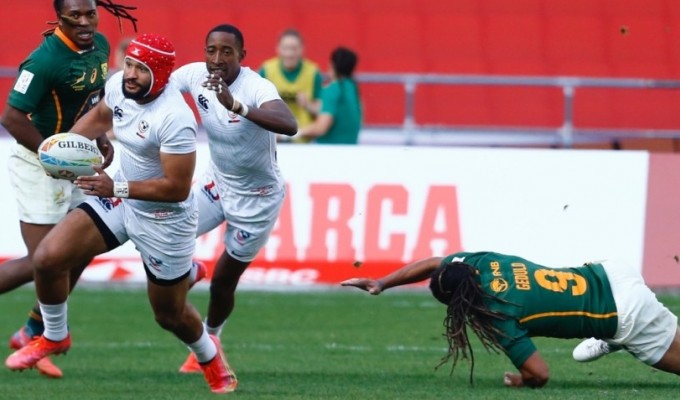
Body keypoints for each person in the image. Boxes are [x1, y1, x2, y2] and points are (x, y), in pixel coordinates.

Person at [4, 33, 236, 395]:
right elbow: (98, 116)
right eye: (129, 63)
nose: (129, 74)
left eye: (141, 69)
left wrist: (118, 188)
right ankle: (54, 336)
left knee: (169, 315)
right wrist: (70, 149)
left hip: (164, 219)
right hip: (119, 198)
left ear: (159, 75)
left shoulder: (176, 118)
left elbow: (176, 187)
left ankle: (209, 357)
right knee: (48, 259)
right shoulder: (119, 86)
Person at [0, 0, 137, 379]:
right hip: (38, 166)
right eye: (73, 15)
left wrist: (99, 139)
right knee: (43, 261)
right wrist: (53, 154)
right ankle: (40, 333)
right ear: (58, 16)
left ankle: (34, 331)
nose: (83, 21)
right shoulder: (43, 61)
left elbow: (93, 102)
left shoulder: (102, 46)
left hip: (76, 159)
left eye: (89, 13)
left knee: (82, 248)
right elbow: (11, 116)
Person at [341, 251, 680, 388]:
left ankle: (615, 335)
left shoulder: (496, 311)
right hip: (609, 272)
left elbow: (540, 374)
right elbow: (436, 262)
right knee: (584, 347)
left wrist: (521, 381)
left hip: (624, 313)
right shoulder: (482, 261)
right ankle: (611, 336)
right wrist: (382, 282)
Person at [171, 24, 297, 375]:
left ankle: (210, 340)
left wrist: (236, 105)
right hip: (216, 183)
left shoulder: (256, 87)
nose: (217, 58)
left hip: (257, 198)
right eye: (211, 50)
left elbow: (289, 124)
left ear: (242, 55)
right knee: (168, 233)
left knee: (224, 281)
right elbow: (160, 84)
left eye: (227, 51)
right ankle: (190, 268)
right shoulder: (195, 75)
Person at [259, 28, 322, 143]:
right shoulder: (267, 70)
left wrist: (308, 105)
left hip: (302, 142)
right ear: (278, 49)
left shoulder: (313, 72)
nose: (289, 53)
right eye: (286, 48)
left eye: (294, 49)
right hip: (273, 141)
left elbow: (322, 110)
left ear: (302, 49)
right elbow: (255, 107)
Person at [296, 47, 362, 144]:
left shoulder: (332, 90)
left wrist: (295, 133)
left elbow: (321, 127)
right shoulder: (353, 88)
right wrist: (308, 105)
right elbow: (331, 110)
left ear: (332, 65)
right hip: (351, 147)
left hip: (331, 151)